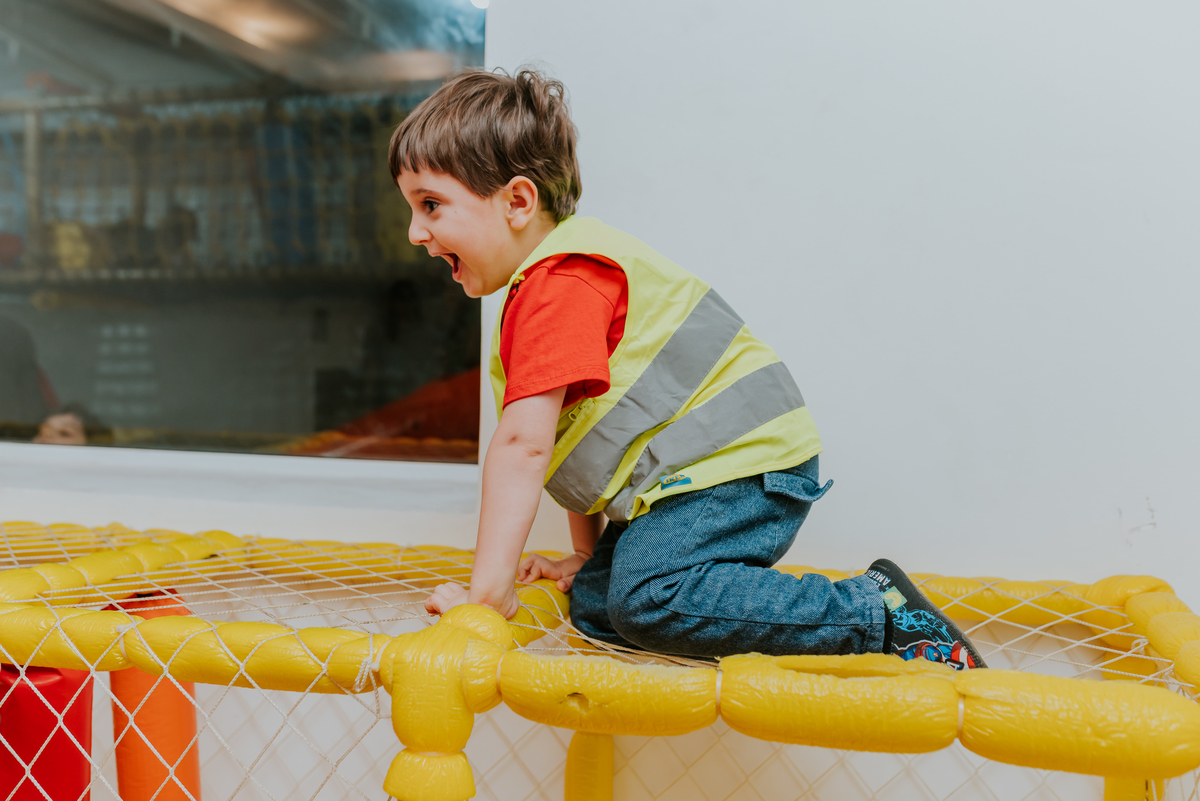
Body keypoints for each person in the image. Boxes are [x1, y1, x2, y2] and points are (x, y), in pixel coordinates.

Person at [393, 69, 985, 669]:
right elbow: (580, 444)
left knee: (648, 597)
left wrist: (487, 597)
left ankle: (875, 612)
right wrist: (588, 558)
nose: (416, 233)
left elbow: (522, 448)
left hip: (738, 466)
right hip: (697, 478)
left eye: (431, 205)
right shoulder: (541, 289)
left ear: (518, 201)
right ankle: (611, 578)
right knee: (598, 606)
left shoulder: (560, 284)